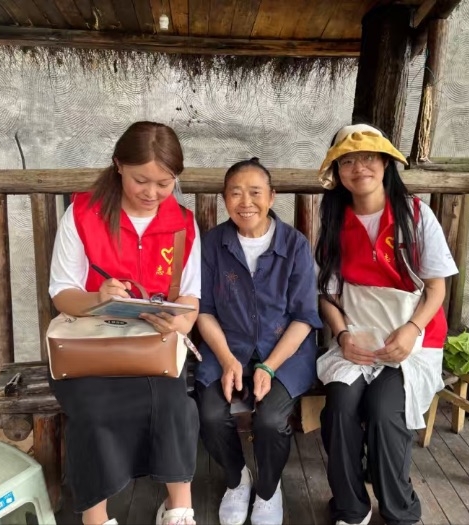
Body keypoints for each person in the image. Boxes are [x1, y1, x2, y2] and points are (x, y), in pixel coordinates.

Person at [48, 121, 201, 525]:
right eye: (140, 181)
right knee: (93, 413)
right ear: (118, 165)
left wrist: (180, 324)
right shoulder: (84, 213)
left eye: (164, 183)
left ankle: (179, 508)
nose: (152, 193)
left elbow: (190, 298)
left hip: (153, 345)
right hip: (90, 347)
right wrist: (97, 298)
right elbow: (62, 293)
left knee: (173, 403)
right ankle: (96, 517)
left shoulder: (183, 223)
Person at [314, 123, 459, 525]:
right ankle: (351, 507)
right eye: (347, 161)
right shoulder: (335, 220)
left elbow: (436, 289)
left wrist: (412, 330)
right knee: (340, 407)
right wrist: (342, 335)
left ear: (385, 163)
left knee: (383, 410)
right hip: (358, 338)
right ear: (337, 171)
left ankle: (400, 510)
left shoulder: (416, 214)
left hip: (412, 339)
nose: (358, 167)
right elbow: (328, 296)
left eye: (368, 158)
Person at [195, 157, 322, 525]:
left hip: (284, 352)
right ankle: (237, 479)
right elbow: (203, 311)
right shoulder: (213, 244)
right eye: (235, 193)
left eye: (255, 192)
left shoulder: (294, 244)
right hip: (226, 347)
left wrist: (269, 366)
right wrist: (227, 359)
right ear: (225, 199)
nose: (245, 202)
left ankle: (268, 489)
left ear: (272, 196)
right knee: (210, 414)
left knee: (270, 420)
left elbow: (304, 317)